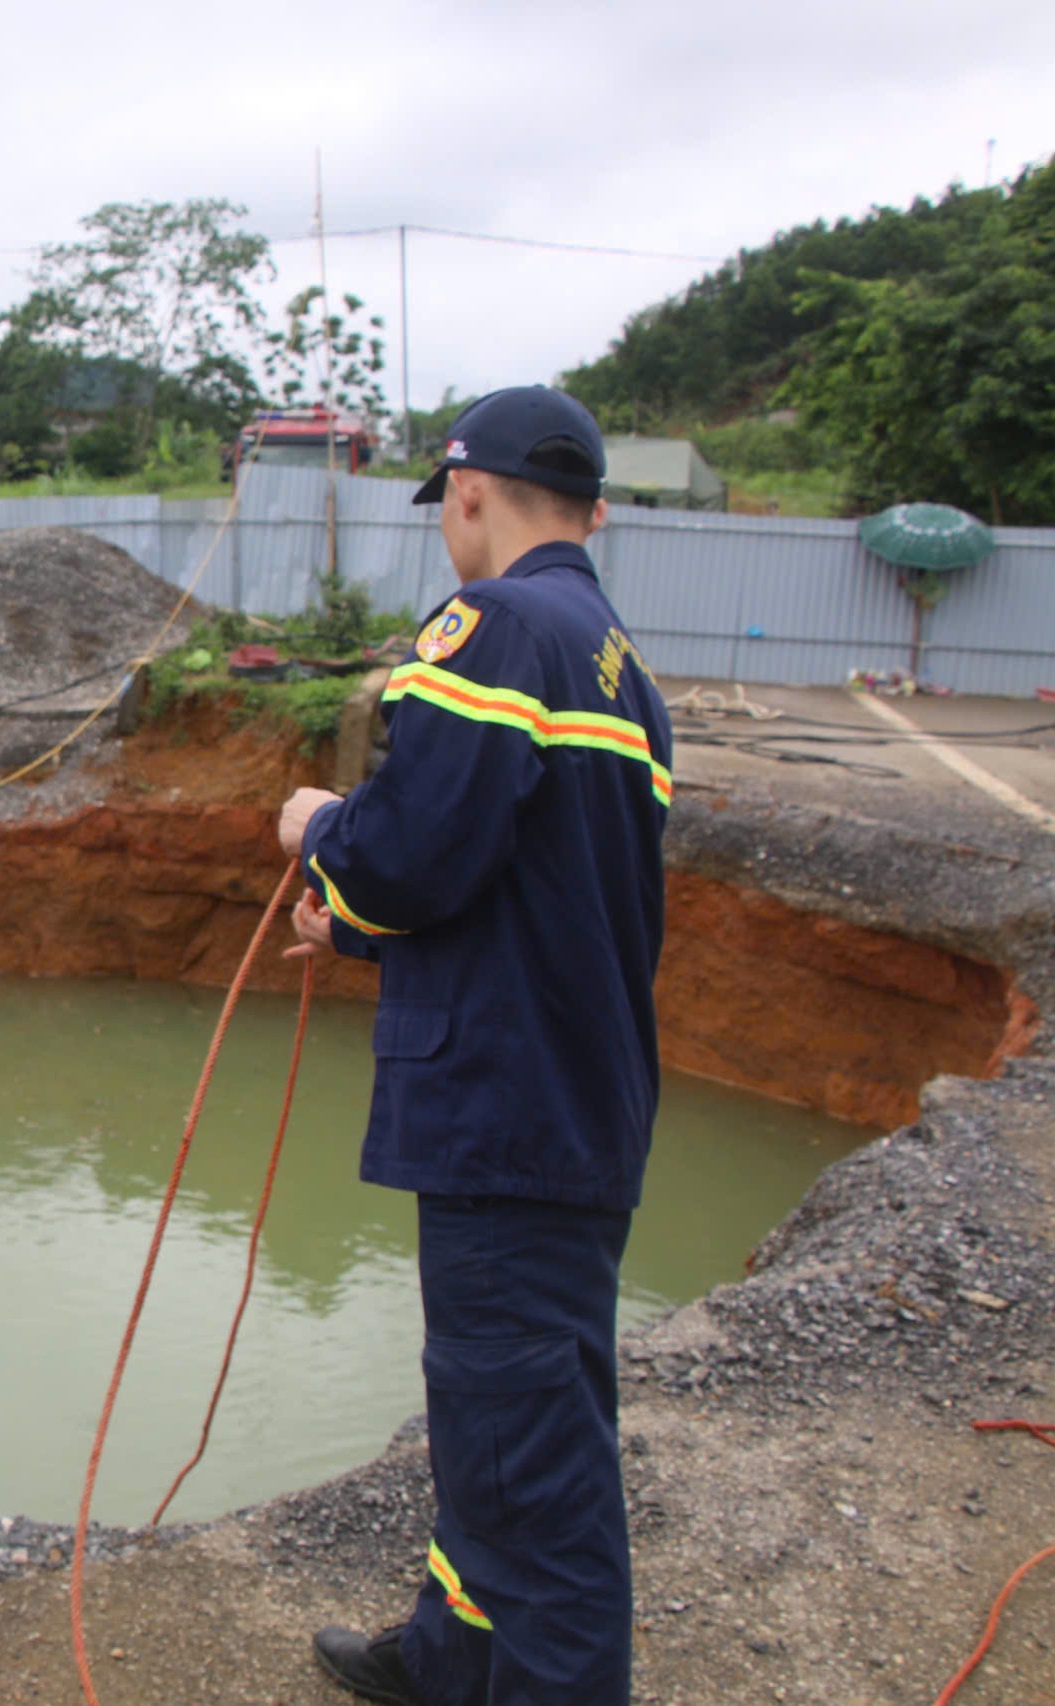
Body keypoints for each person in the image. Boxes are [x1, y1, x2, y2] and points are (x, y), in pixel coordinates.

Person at [281, 386, 671, 1706]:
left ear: (466, 493)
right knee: (495, 1415)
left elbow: (414, 848)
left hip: (507, 1110)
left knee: (532, 1457)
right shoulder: (618, 664)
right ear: (594, 512)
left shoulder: (493, 626)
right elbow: (531, 887)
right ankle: (456, 1656)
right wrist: (355, 930)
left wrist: (322, 832)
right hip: (566, 1096)